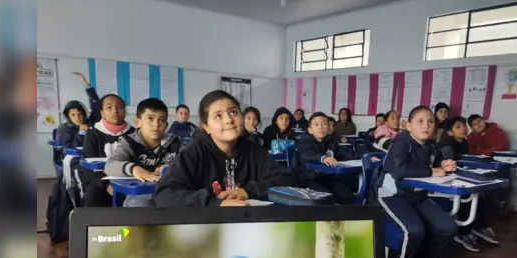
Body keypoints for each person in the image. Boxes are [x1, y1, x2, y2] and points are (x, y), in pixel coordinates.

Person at [371, 105, 458, 258]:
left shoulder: (431, 146)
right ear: (408, 126)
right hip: (392, 195)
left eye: (430, 122)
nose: (426, 126)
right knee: (414, 230)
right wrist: (431, 171)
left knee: (448, 227)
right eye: (420, 121)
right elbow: (399, 170)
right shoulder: (400, 143)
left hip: (417, 196)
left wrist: (445, 163)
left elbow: (440, 161)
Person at [153, 90, 294, 207]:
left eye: (233, 112)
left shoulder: (252, 150)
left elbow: (286, 179)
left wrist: (248, 191)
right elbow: (164, 194)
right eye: (218, 116)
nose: (229, 120)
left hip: (247, 223)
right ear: (206, 127)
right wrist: (216, 203)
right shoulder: (193, 152)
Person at [437, 116, 500, 251]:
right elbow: (449, 169)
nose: (464, 129)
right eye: (458, 127)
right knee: (468, 197)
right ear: (450, 132)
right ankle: (463, 233)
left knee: (486, 193)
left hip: (460, 179)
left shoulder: (464, 143)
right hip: (446, 183)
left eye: (464, 125)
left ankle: (479, 226)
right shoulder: (447, 146)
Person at [105, 98, 181, 207]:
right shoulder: (129, 142)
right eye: (150, 118)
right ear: (137, 122)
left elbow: (189, 161)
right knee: (139, 205)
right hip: (140, 193)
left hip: (169, 190)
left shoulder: (174, 142)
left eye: (161, 119)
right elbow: (110, 165)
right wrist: (133, 169)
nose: (156, 124)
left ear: (166, 125)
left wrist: (171, 167)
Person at [80, 90, 134, 207]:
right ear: (102, 113)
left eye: (119, 107)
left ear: (125, 111)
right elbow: (90, 167)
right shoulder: (93, 134)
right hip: (100, 180)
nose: (115, 111)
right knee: (91, 199)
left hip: (130, 178)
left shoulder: (134, 133)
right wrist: (106, 183)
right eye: (109, 107)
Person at [294, 112, 360, 205]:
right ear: (310, 130)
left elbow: (345, 153)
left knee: (349, 197)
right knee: (326, 199)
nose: (321, 127)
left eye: (324, 124)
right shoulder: (304, 141)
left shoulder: (331, 141)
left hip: (328, 178)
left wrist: (365, 156)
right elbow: (307, 155)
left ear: (328, 128)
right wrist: (322, 158)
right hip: (310, 179)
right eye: (316, 124)